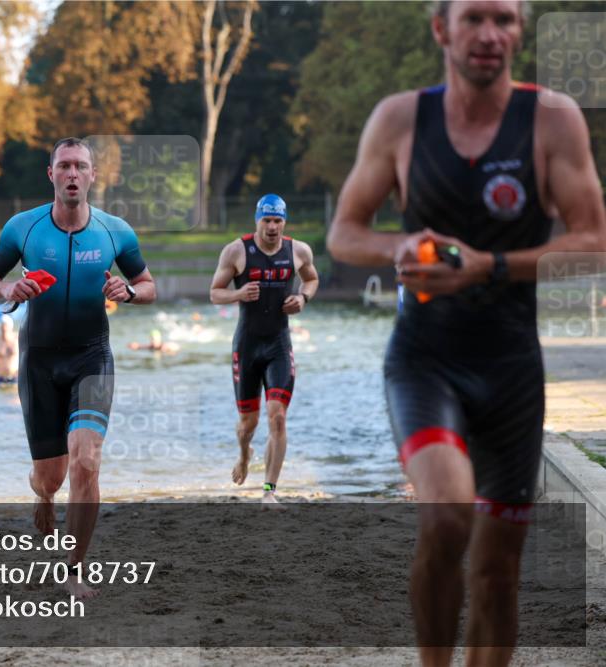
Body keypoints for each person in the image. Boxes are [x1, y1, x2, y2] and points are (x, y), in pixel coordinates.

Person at [325, 1, 606, 664]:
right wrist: (400, 247)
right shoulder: (401, 119)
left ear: (519, 31)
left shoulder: (551, 119)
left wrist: (491, 266)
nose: (490, 34)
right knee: (447, 515)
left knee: (498, 571)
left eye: (505, 20)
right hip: (425, 359)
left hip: (512, 366)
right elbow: (343, 232)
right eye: (474, 18)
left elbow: (593, 239)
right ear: (440, 29)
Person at [0, 137, 157, 599]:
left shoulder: (116, 231)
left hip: (92, 356)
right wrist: (9, 290)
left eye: (81, 166)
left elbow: (148, 284)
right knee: (49, 476)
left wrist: (129, 293)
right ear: (51, 175)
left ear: (93, 176)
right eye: (65, 166)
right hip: (38, 362)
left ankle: (75, 568)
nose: (73, 174)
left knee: (87, 460)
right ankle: (42, 496)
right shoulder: (25, 228)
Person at [209, 194, 319, 504]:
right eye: (266, 220)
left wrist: (303, 298)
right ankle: (244, 455)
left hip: (279, 346)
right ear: (257, 220)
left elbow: (311, 279)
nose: (272, 227)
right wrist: (239, 293)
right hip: (247, 346)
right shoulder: (236, 251)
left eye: (277, 221)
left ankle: (269, 491)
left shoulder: (298, 251)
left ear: (284, 222)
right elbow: (215, 293)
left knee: (278, 417)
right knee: (249, 424)